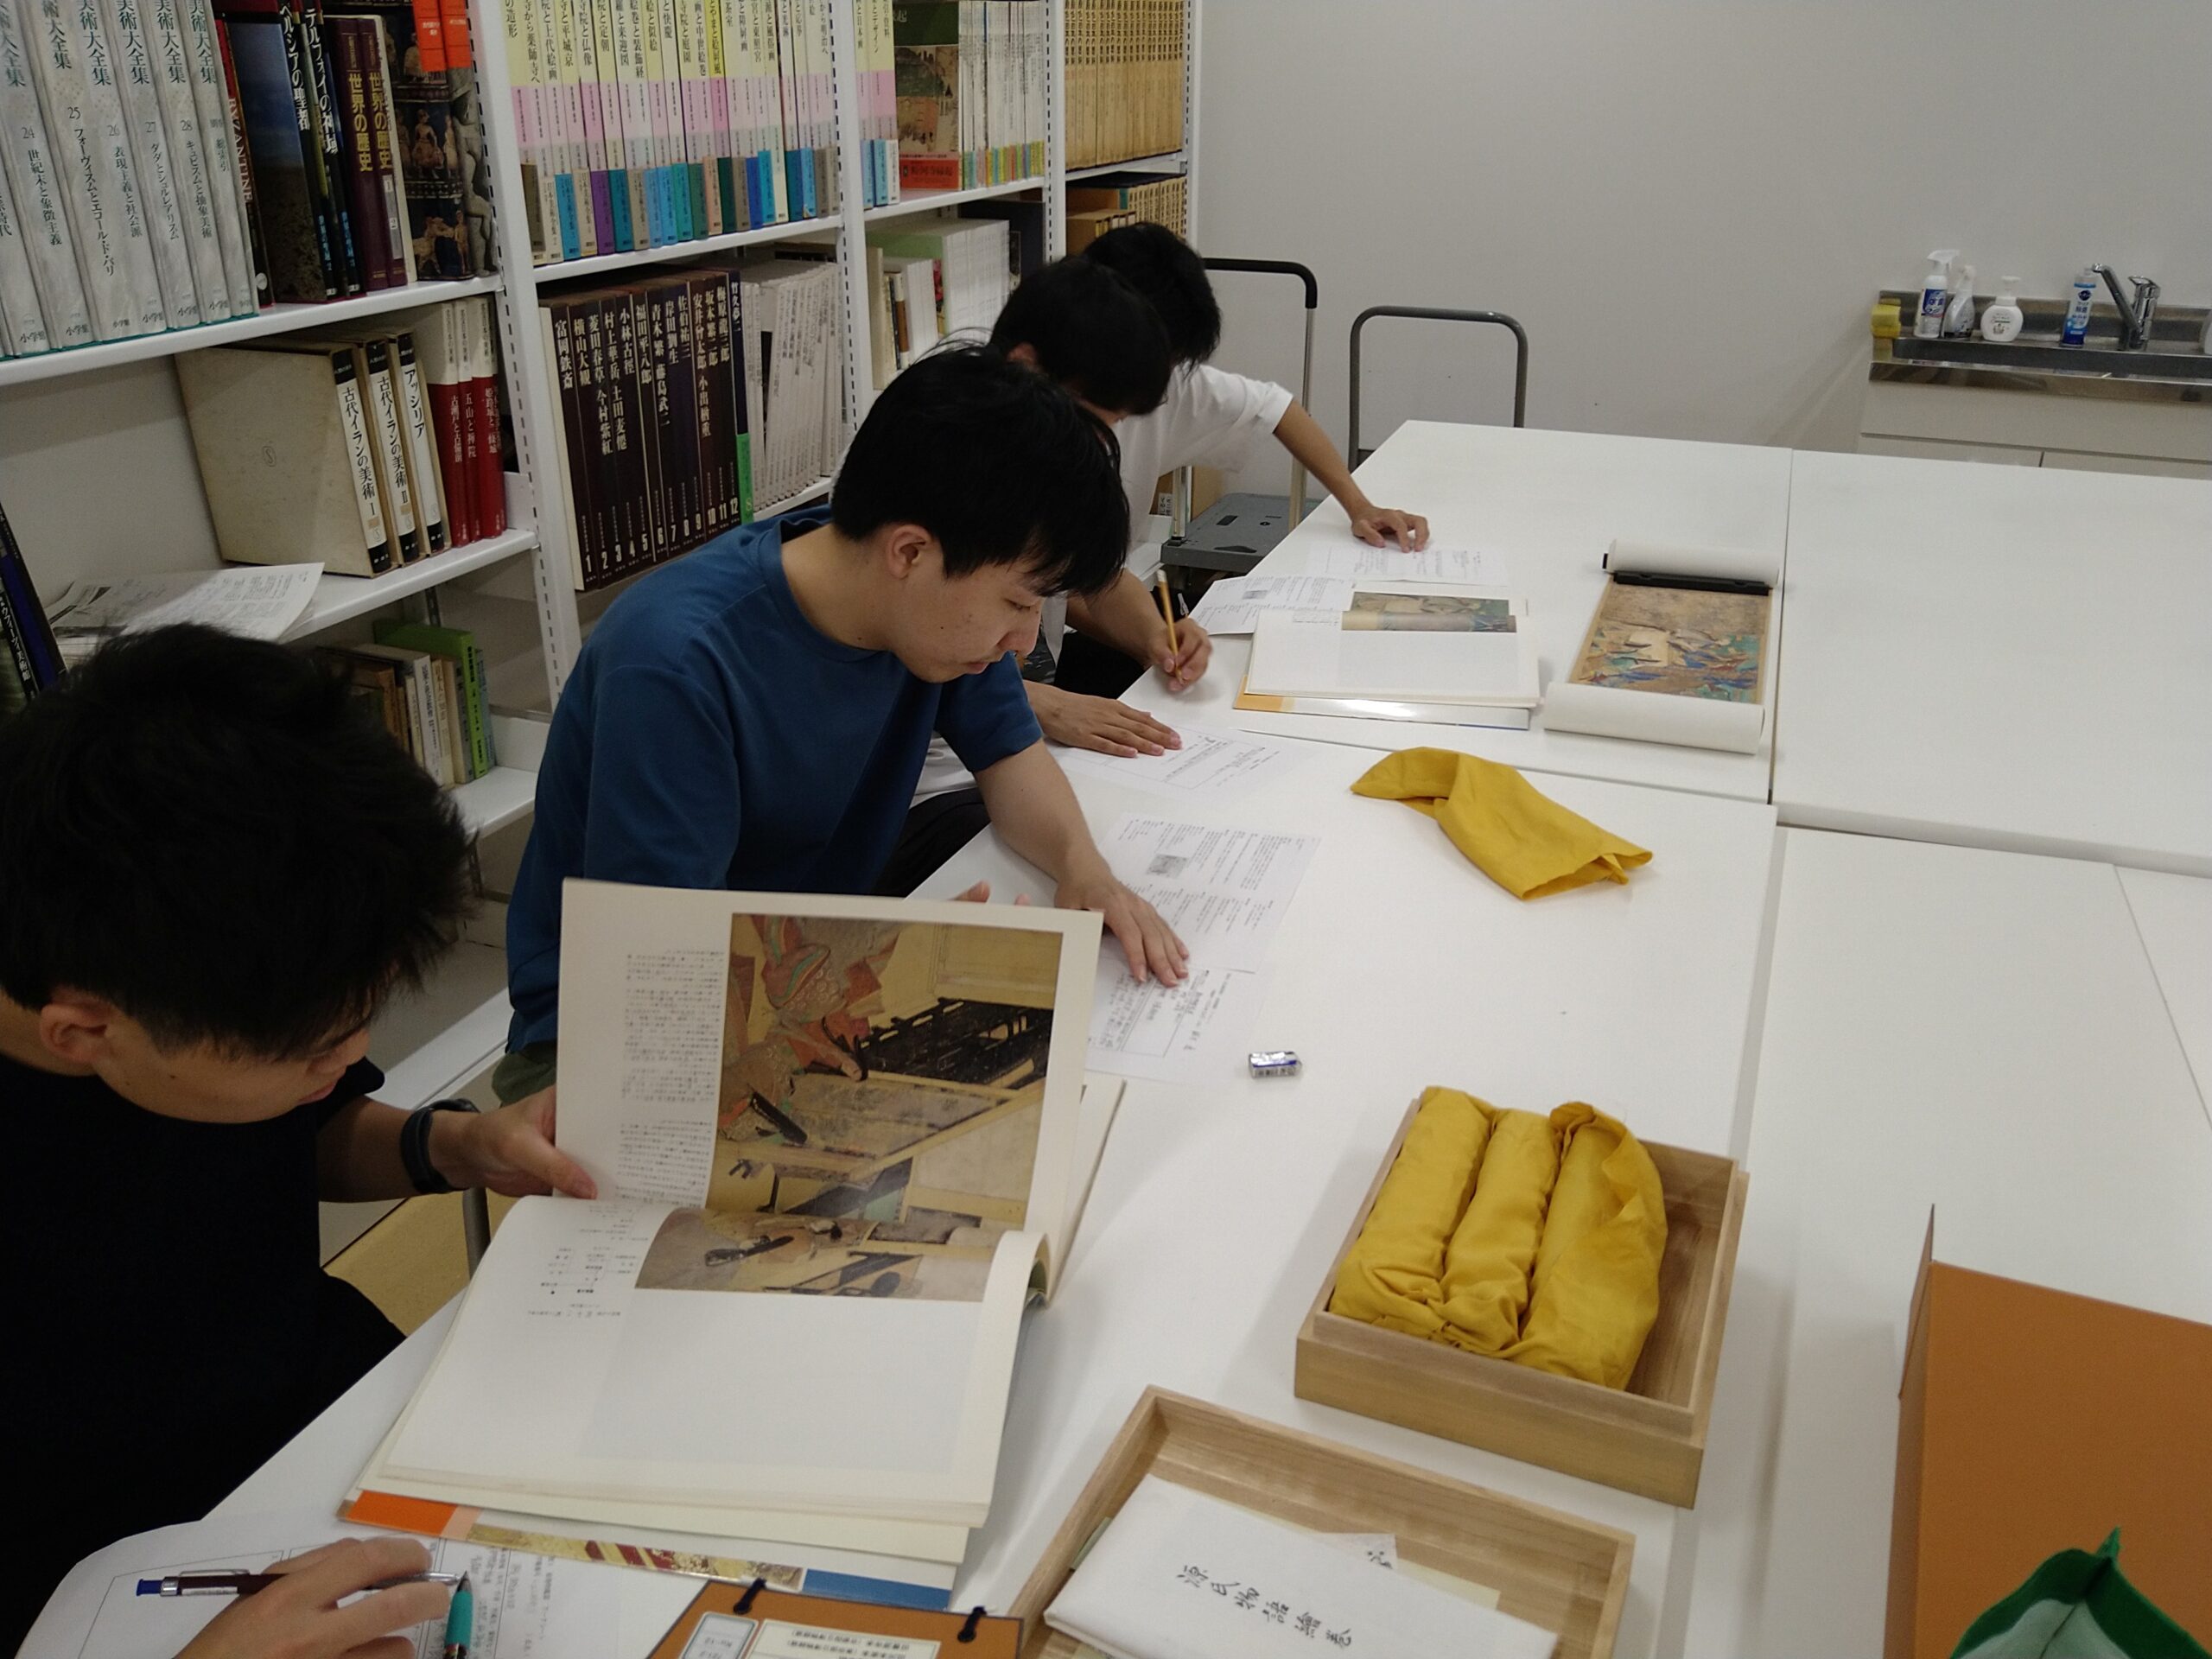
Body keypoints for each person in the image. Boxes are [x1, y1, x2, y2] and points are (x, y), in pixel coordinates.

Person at [0, 626, 594, 1652]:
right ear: (85, 1033)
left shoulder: (204, 970)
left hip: (325, 1420)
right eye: (317, 1050)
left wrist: (454, 1147)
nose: (350, 1058)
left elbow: (308, 1129)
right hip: (99, 1568)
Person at [495, 344, 1188, 1103]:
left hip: (798, 974)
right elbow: (662, 976)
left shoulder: (924, 611)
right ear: (910, 552)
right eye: (1019, 604)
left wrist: (1085, 870)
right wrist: (891, 967)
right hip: (610, 1041)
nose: (1024, 643)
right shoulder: (676, 665)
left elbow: (1013, 758)